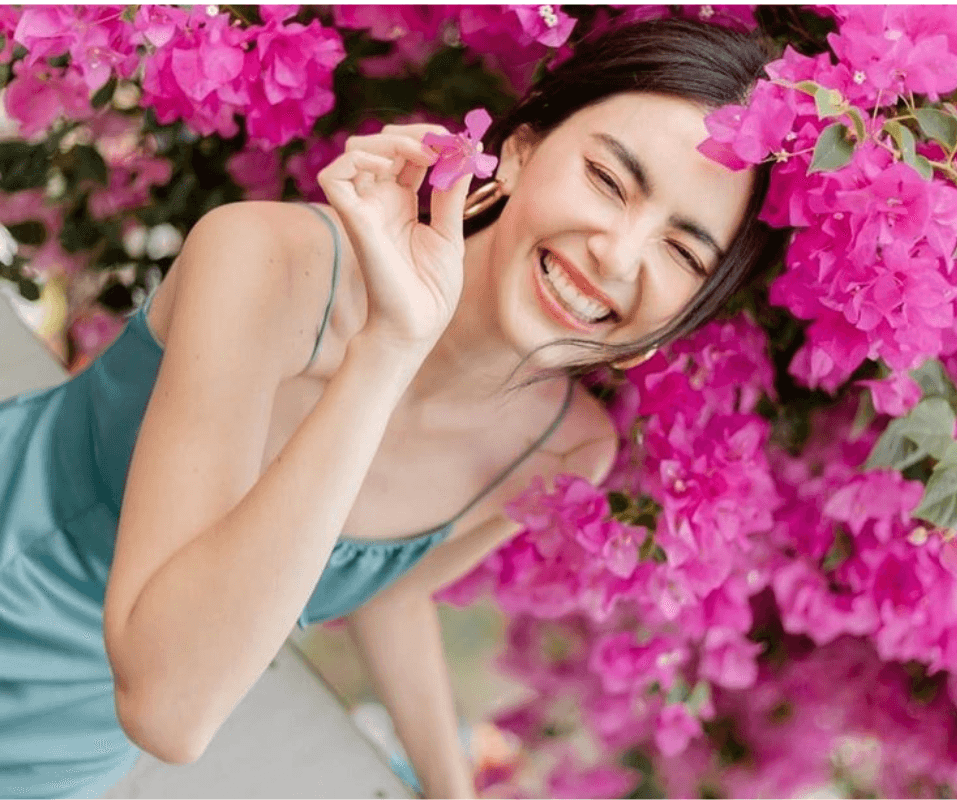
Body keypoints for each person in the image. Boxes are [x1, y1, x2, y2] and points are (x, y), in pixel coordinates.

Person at [0, 18, 788, 799]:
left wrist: (453, 788)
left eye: (684, 253)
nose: (617, 255)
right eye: (609, 180)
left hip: (66, 761)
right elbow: (169, 708)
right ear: (517, 150)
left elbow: (387, 589)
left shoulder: (565, 449)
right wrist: (389, 350)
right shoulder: (271, 264)